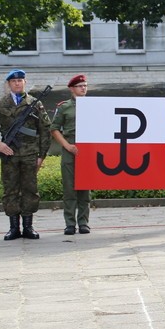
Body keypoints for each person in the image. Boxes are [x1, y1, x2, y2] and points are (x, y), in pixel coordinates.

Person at [0, 69, 51, 240]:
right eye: (13, 81)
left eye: (20, 80)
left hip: (30, 154)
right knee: (10, 190)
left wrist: (41, 156)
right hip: (9, 154)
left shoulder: (35, 103)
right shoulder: (0, 104)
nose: (17, 83)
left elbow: (45, 130)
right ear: (9, 84)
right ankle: (13, 228)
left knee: (30, 190)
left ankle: (28, 227)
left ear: (25, 82)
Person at [50, 74, 92, 235]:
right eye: (80, 86)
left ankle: (83, 222)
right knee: (69, 188)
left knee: (85, 188)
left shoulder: (94, 106)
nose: (83, 88)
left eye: (85, 85)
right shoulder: (64, 107)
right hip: (70, 147)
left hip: (88, 149)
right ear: (72, 89)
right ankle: (69, 223)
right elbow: (54, 129)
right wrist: (67, 145)